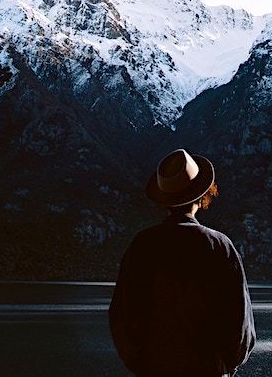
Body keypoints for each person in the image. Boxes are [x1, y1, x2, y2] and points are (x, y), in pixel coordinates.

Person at [109, 149, 256, 377]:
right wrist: (225, 366)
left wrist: (142, 366)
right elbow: (239, 324)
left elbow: (122, 319)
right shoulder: (219, 246)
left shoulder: (142, 246)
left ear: (164, 199)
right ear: (202, 196)